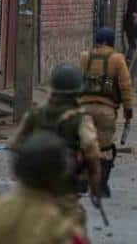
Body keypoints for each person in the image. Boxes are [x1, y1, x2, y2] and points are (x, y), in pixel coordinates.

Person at [13, 65, 101, 228]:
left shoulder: (35, 114)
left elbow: (16, 145)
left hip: (32, 191)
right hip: (65, 190)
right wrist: (95, 187)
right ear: (78, 92)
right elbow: (92, 152)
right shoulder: (81, 119)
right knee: (75, 232)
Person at [80, 27, 133, 198]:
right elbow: (125, 86)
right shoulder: (117, 59)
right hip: (106, 110)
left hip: (84, 110)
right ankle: (101, 186)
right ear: (110, 42)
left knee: (84, 145)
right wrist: (128, 109)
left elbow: (77, 81)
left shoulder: (84, 57)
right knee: (105, 148)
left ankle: (81, 183)